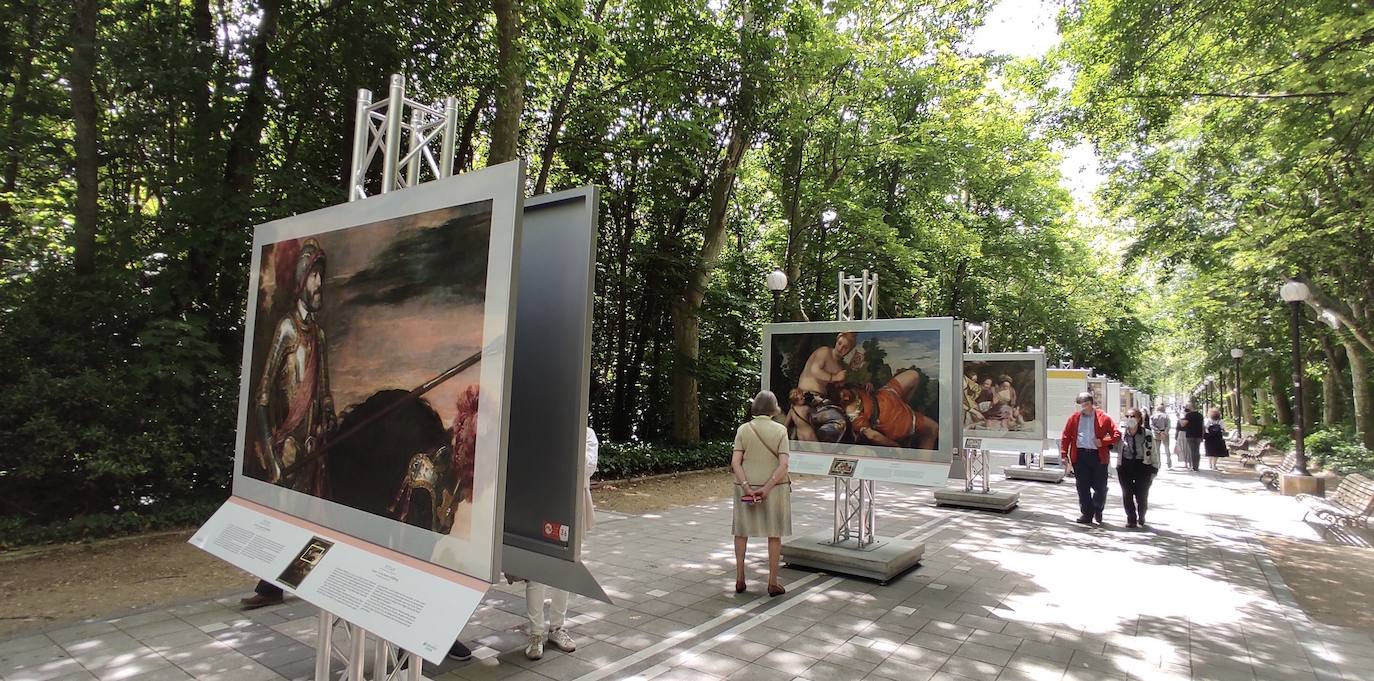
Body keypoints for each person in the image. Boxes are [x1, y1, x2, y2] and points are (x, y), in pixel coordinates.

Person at [523, 426, 599, 659]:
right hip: (542, 503)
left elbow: (587, 466)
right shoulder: (543, 427)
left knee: (566, 570)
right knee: (537, 571)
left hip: (572, 504)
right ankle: (535, 633)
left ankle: (557, 627)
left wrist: (563, 449)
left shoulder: (586, 434)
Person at [732, 391, 791, 597]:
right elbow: (784, 464)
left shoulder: (743, 429)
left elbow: (735, 463)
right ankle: (772, 582)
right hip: (775, 488)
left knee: (741, 532)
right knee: (774, 534)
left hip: (745, 486)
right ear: (774, 409)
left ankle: (740, 577)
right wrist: (767, 488)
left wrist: (747, 487)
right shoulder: (781, 430)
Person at [1059, 392, 1120, 525]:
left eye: (1086, 404)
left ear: (1092, 404)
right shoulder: (1074, 418)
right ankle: (1087, 514)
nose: (1084, 407)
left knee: (1101, 487)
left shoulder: (1104, 417)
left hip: (1098, 456)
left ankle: (1097, 508)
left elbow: (1116, 434)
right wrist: (1064, 454)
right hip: (1080, 456)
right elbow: (1066, 436)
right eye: (1081, 405)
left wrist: (1103, 441)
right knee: (1082, 486)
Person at [1115, 408, 1158, 528]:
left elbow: (1153, 452)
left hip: (1142, 466)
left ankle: (1142, 514)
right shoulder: (1121, 433)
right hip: (1125, 466)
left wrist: (1155, 468)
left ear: (1139, 419)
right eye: (1127, 416)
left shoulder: (1147, 433)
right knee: (1127, 493)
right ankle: (1131, 519)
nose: (1130, 419)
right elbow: (1114, 447)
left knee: (1142, 494)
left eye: (1132, 416)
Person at [1179, 403, 1205, 471]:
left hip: (1190, 435)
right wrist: (1203, 436)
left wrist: (1180, 417)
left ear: (1190, 407)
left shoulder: (1188, 415)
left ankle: (1193, 466)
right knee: (1197, 450)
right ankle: (1197, 466)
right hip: (1198, 435)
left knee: (1192, 450)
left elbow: (1182, 424)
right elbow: (1203, 426)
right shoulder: (1200, 415)